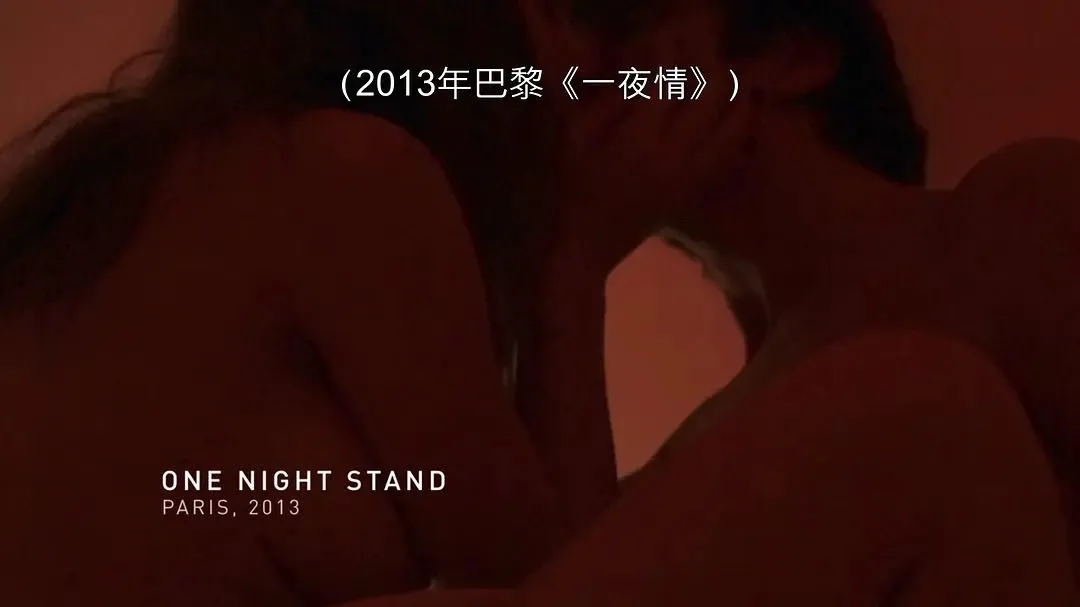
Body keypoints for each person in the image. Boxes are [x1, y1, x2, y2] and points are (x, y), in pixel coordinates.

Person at [0, 0, 737, 604]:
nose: (578, 62)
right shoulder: (341, 170)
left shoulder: (140, 183)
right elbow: (560, 584)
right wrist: (573, 265)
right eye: (553, 11)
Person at [342, 0, 1078, 605]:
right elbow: (563, 580)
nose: (565, 73)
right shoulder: (700, 458)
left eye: (613, 20)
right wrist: (565, 273)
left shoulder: (1008, 222)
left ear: (793, 57)